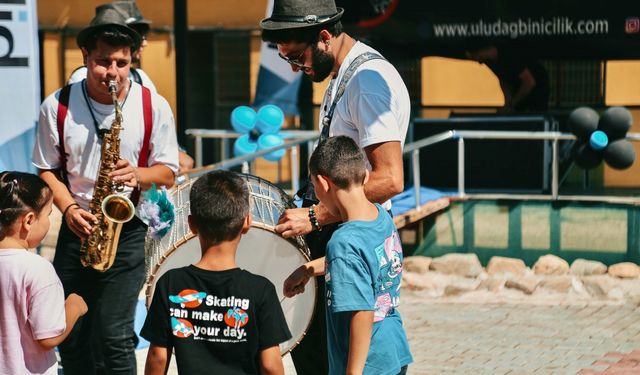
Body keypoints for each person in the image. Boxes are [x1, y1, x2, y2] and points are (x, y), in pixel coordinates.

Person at [260, 0, 410, 373]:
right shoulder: (346, 75)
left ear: (324, 37)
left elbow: (390, 177)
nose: (296, 68)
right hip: (339, 237)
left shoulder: (368, 84)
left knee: (329, 358)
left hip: (346, 231)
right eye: (287, 61)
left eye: (298, 57)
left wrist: (314, 215)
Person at [32, 6, 179, 374]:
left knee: (113, 333)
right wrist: (68, 209)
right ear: (85, 56)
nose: (112, 73)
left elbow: (168, 173)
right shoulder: (58, 105)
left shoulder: (152, 106)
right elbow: (46, 169)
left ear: (131, 60)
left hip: (127, 229)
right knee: (72, 332)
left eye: (121, 63)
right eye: (102, 62)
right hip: (78, 223)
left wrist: (139, 174)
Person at [141, 170, 291, 375]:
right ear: (247, 222)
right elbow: (270, 366)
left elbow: (158, 358)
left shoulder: (170, 283)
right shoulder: (260, 290)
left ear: (192, 225)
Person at [283, 136, 412, 375]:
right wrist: (308, 269)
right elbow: (362, 262)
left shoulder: (341, 242)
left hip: (366, 364)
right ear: (365, 175)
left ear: (322, 184)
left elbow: (362, 312)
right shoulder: (379, 216)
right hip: (392, 349)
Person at [67, 1, 195, 174]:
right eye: (139, 34)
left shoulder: (141, 78)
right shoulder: (83, 76)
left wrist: (174, 154)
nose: (144, 42)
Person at [0, 171, 88, 375]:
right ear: (29, 220)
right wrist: (74, 306)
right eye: (48, 215)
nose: (48, 222)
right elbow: (48, 337)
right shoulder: (39, 270)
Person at [465, 42, 549, 112]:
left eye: (475, 56)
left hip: (538, 90)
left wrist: (512, 103)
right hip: (520, 92)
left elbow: (529, 82)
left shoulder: (509, 55)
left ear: (482, 51)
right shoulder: (490, 62)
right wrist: (507, 104)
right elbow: (503, 83)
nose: (476, 61)